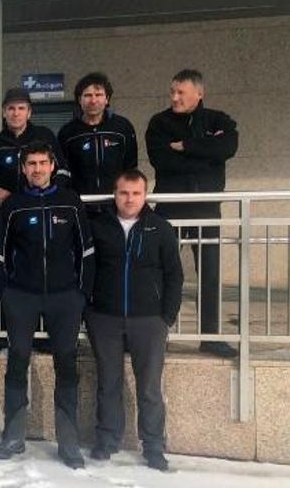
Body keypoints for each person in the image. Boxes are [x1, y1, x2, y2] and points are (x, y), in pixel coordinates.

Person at [0, 141, 94, 468]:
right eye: (30, 164)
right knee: (18, 360)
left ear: (52, 166)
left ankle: (69, 442)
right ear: (23, 169)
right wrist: (4, 292)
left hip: (65, 297)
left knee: (66, 363)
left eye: (42, 163)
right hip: (22, 295)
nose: (37, 169)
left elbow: (87, 250)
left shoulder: (70, 201)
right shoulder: (14, 205)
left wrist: (81, 293)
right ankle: (13, 435)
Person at [87, 169, 183, 471]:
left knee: (150, 387)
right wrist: (89, 309)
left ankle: (153, 445)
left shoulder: (160, 228)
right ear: (115, 194)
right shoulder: (98, 227)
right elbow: (86, 268)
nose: (129, 199)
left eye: (136, 193)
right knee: (108, 383)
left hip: (149, 320)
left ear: (145, 195)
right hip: (105, 317)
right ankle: (106, 439)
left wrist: (166, 316)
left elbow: (174, 275)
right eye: (124, 193)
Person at [146, 69, 239, 358]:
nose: (174, 97)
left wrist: (186, 146)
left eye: (181, 92)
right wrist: (207, 156)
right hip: (169, 209)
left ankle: (210, 336)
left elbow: (228, 147)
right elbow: (162, 161)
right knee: (162, 273)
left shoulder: (218, 120)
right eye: (172, 91)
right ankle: (157, 334)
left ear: (199, 93)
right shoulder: (159, 123)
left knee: (209, 273)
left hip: (206, 209)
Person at [58, 72, 138, 202]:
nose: (93, 100)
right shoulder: (68, 132)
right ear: (79, 99)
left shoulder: (122, 128)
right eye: (88, 95)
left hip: (115, 204)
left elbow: (130, 167)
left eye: (98, 95)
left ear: (107, 99)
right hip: (81, 204)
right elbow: (62, 171)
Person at [0, 88, 70, 206]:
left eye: (21, 108)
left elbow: (63, 170)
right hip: (5, 209)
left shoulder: (44, 136)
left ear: (29, 113)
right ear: (4, 112)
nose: (16, 113)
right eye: (11, 108)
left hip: (42, 206)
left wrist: (51, 191)